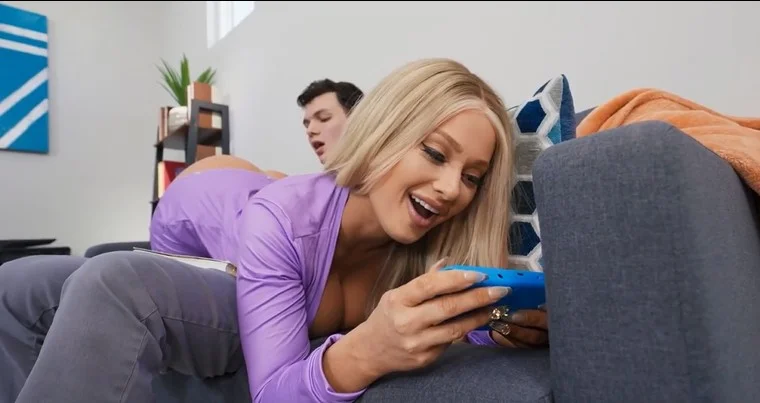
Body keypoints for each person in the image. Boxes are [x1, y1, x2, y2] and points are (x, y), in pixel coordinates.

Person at [0, 57, 548, 403]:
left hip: (259, 194)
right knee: (24, 283)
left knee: (27, 282)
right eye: (435, 153)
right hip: (194, 212)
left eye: (472, 177)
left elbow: (469, 324)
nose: (452, 188)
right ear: (382, 133)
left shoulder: (436, 237)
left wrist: (503, 325)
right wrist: (366, 350)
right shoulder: (282, 219)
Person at [179, 78, 364, 180]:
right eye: (307, 124)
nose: (310, 131)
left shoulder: (375, 178)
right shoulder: (323, 188)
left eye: (324, 118)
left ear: (357, 118)